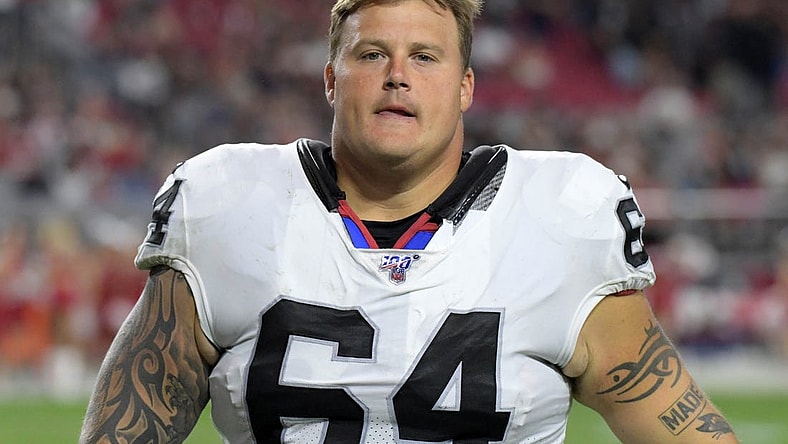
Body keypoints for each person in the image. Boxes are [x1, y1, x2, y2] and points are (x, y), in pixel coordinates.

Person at [80, 0, 739, 442]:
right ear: (331, 79)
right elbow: (130, 422)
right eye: (372, 55)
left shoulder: (561, 219)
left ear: (465, 86)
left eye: (425, 56)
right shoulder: (228, 205)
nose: (398, 75)